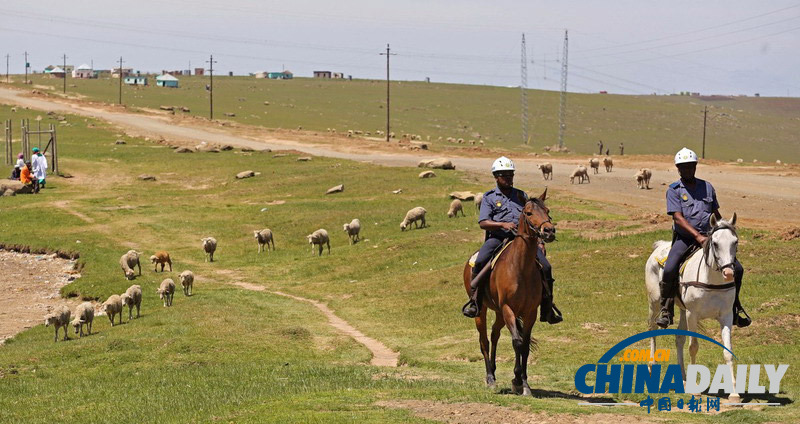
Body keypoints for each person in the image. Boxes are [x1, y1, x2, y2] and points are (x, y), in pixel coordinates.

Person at [656, 147, 750, 329]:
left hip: (710, 238)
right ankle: (666, 310)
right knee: (669, 268)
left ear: (695, 166)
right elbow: (678, 218)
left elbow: (715, 213)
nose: (687, 170)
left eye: (690, 166)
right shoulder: (674, 190)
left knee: (737, 269)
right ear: (678, 169)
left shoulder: (707, 187)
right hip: (686, 239)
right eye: (683, 167)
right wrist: (697, 237)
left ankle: (736, 307)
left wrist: (723, 229)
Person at [462, 156, 562, 324]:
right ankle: (476, 302)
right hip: (498, 238)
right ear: (496, 177)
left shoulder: (521, 195)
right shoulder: (489, 197)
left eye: (510, 174)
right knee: (479, 262)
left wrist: (539, 240)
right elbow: (483, 222)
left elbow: (531, 218)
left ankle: (547, 308)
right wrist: (502, 224)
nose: (508, 178)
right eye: (504, 175)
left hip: (522, 240)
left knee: (546, 266)